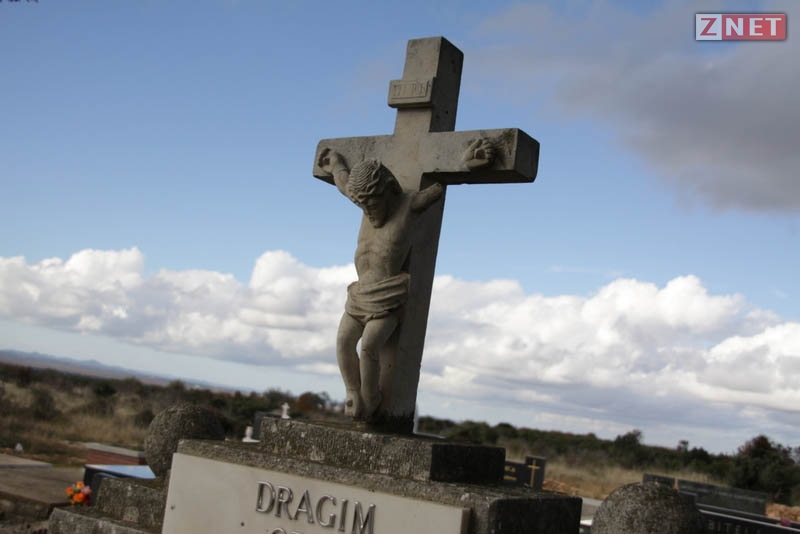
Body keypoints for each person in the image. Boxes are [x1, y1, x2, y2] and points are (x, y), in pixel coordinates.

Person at [317, 148, 444, 420]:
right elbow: (344, 183)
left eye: (372, 205)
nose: (367, 211)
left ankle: (371, 397)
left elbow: (437, 190)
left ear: (388, 191)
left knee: (369, 347)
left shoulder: (409, 205)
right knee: (343, 342)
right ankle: (353, 392)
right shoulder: (366, 203)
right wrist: (336, 164)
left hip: (387, 297)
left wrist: (469, 164)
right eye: (362, 206)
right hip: (360, 295)